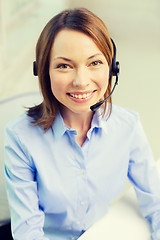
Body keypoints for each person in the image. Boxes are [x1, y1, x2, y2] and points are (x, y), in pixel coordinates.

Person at [4, 7, 160, 240]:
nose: (81, 81)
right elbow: (28, 232)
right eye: (64, 65)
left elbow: (156, 203)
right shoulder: (20, 136)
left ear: (112, 67)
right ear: (43, 72)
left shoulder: (127, 126)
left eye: (94, 63)